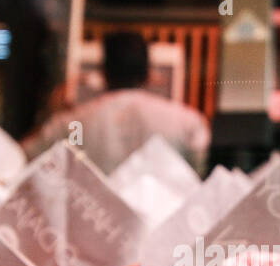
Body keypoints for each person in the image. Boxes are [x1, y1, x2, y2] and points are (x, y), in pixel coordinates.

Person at [23, 32, 211, 175]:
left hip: (91, 223)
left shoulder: (70, 123)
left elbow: (22, 155)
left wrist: (49, 114)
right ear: (148, 73)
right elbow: (198, 178)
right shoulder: (188, 122)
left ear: (104, 71)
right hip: (165, 224)